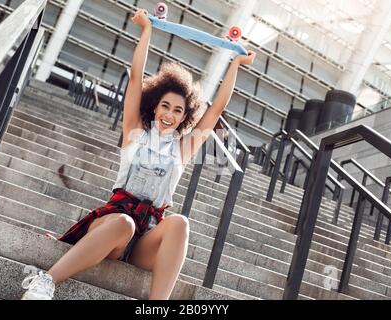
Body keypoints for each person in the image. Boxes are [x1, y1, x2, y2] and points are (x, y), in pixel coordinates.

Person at [21, 8, 256, 300]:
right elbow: (135, 80)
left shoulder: (183, 148)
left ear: (185, 117)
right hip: (114, 225)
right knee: (124, 223)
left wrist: (236, 64)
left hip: (146, 239)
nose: (170, 114)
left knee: (180, 223)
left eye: (178, 110)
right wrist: (147, 31)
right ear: (156, 106)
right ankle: (46, 281)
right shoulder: (134, 131)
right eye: (166, 106)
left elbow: (216, 109)